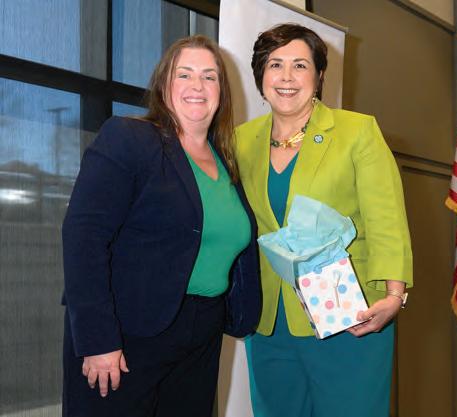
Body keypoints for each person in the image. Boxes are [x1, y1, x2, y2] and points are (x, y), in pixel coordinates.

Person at [61, 35, 260, 417]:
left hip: (201, 336)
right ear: (163, 85)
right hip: (125, 333)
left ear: (222, 91)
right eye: (184, 74)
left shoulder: (225, 162)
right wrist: (98, 339)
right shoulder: (130, 138)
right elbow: (83, 236)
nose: (197, 85)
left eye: (209, 76)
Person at [235, 24, 413, 417]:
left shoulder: (357, 131)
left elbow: (385, 218)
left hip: (349, 315)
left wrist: (394, 295)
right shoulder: (239, 141)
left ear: (318, 76)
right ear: (260, 76)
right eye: (275, 65)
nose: (286, 76)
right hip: (268, 319)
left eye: (300, 65)